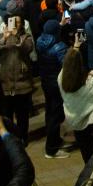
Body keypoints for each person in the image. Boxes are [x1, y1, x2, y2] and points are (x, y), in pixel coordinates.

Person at [0, 14, 34, 142]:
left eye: (18, 22)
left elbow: (28, 48)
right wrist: (4, 38)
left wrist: (17, 39)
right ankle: (9, 138)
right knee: (7, 115)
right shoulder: (2, 37)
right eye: (13, 22)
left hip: (22, 84)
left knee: (22, 115)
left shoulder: (26, 37)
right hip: (5, 83)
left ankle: (23, 137)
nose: (15, 25)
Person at [35, 18, 70, 158]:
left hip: (46, 81)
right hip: (57, 83)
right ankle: (51, 149)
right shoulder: (59, 46)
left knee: (50, 112)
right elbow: (66, 66)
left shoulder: (39, 42)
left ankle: (55, 140)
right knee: (56, 113)